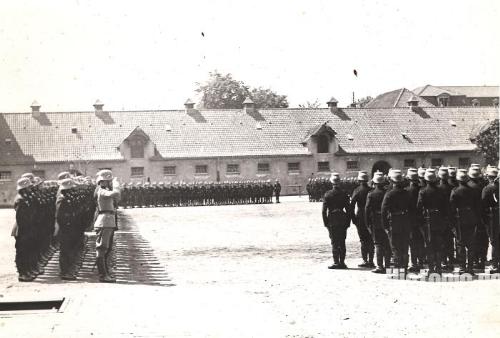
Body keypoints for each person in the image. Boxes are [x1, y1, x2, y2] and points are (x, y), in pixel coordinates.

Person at [417, 169, 448, 275]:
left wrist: (421, 223)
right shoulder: (441, 191)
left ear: (425, 180)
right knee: (438, 245)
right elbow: (445, 208)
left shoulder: (422, 191)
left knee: (429, 245)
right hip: (439, 220)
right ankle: (438, 269)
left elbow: (419, 208)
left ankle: (431, 269)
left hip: (427, 221)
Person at [382, 169, 412, 273]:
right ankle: (404, 267)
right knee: (404, 245)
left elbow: (384, 211)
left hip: (394, 222)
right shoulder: (407, 193)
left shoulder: (389, 194)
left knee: (395, 246)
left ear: (392, 181)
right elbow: (412, 209)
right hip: (406, 221)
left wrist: (385, 226)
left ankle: (398, 269)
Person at [93, 170, 121, 283]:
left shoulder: (104, 190)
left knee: (107, 248)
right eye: (109, 181)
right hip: (104, 221)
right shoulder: (101, 191)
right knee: (102, 248)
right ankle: (102, 275)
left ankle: (106, 272)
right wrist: (116, 184)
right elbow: (116, 194)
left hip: (108, 221)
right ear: (104, 181)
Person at [450, 169, 479, 275]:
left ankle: (462, 267)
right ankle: (470, 268)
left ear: (458, 180)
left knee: (460, 244)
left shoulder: (455, 191)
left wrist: (452, 222)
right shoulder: (473, 190)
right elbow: (477, 206)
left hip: (459, 220)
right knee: (471, 244)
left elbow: (451, 208)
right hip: (471, 218)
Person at [322, 173, 351, 269]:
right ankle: (342, 262)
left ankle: (336, 262)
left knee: (334, 242)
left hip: (332, 219)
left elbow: (323, 211)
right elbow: (349, 210)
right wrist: (348, 222)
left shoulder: (327, 194)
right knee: (342, 242)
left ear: (331, 182)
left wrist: (326, 223)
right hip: (342, 219)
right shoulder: (344, 194)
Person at [365, 171, 390, 273]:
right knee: (387, 243)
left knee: (378, 244)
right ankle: (388, 265)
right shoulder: (387, 192)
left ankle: (380, 266)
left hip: (375, 221)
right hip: (387, 220)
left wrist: (368, 224)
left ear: (374, 182)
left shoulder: (371, 194)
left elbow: (367, 210)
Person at [350, 171, 374, 268]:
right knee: (371, 239)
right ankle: (371, 260)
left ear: (359, 180)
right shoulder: (371, 190)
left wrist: (353, 219)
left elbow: (351, 206)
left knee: (363, 240)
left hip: (360, 216)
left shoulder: (356, 190)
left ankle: (365, 260)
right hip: (370, 216)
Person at [406, 168, 425, 273]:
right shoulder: (421, 189)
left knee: (412, 242)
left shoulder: (407, 191)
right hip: (421, 218)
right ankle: (421, 261)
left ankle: (414, 263)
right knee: (421, 241)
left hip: (410, 219)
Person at [482, 166, 499, 273]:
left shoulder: (487, 188)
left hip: (492, 216)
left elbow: (482, 204)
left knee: (493, 240)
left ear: (488, 177)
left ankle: (494, 264)